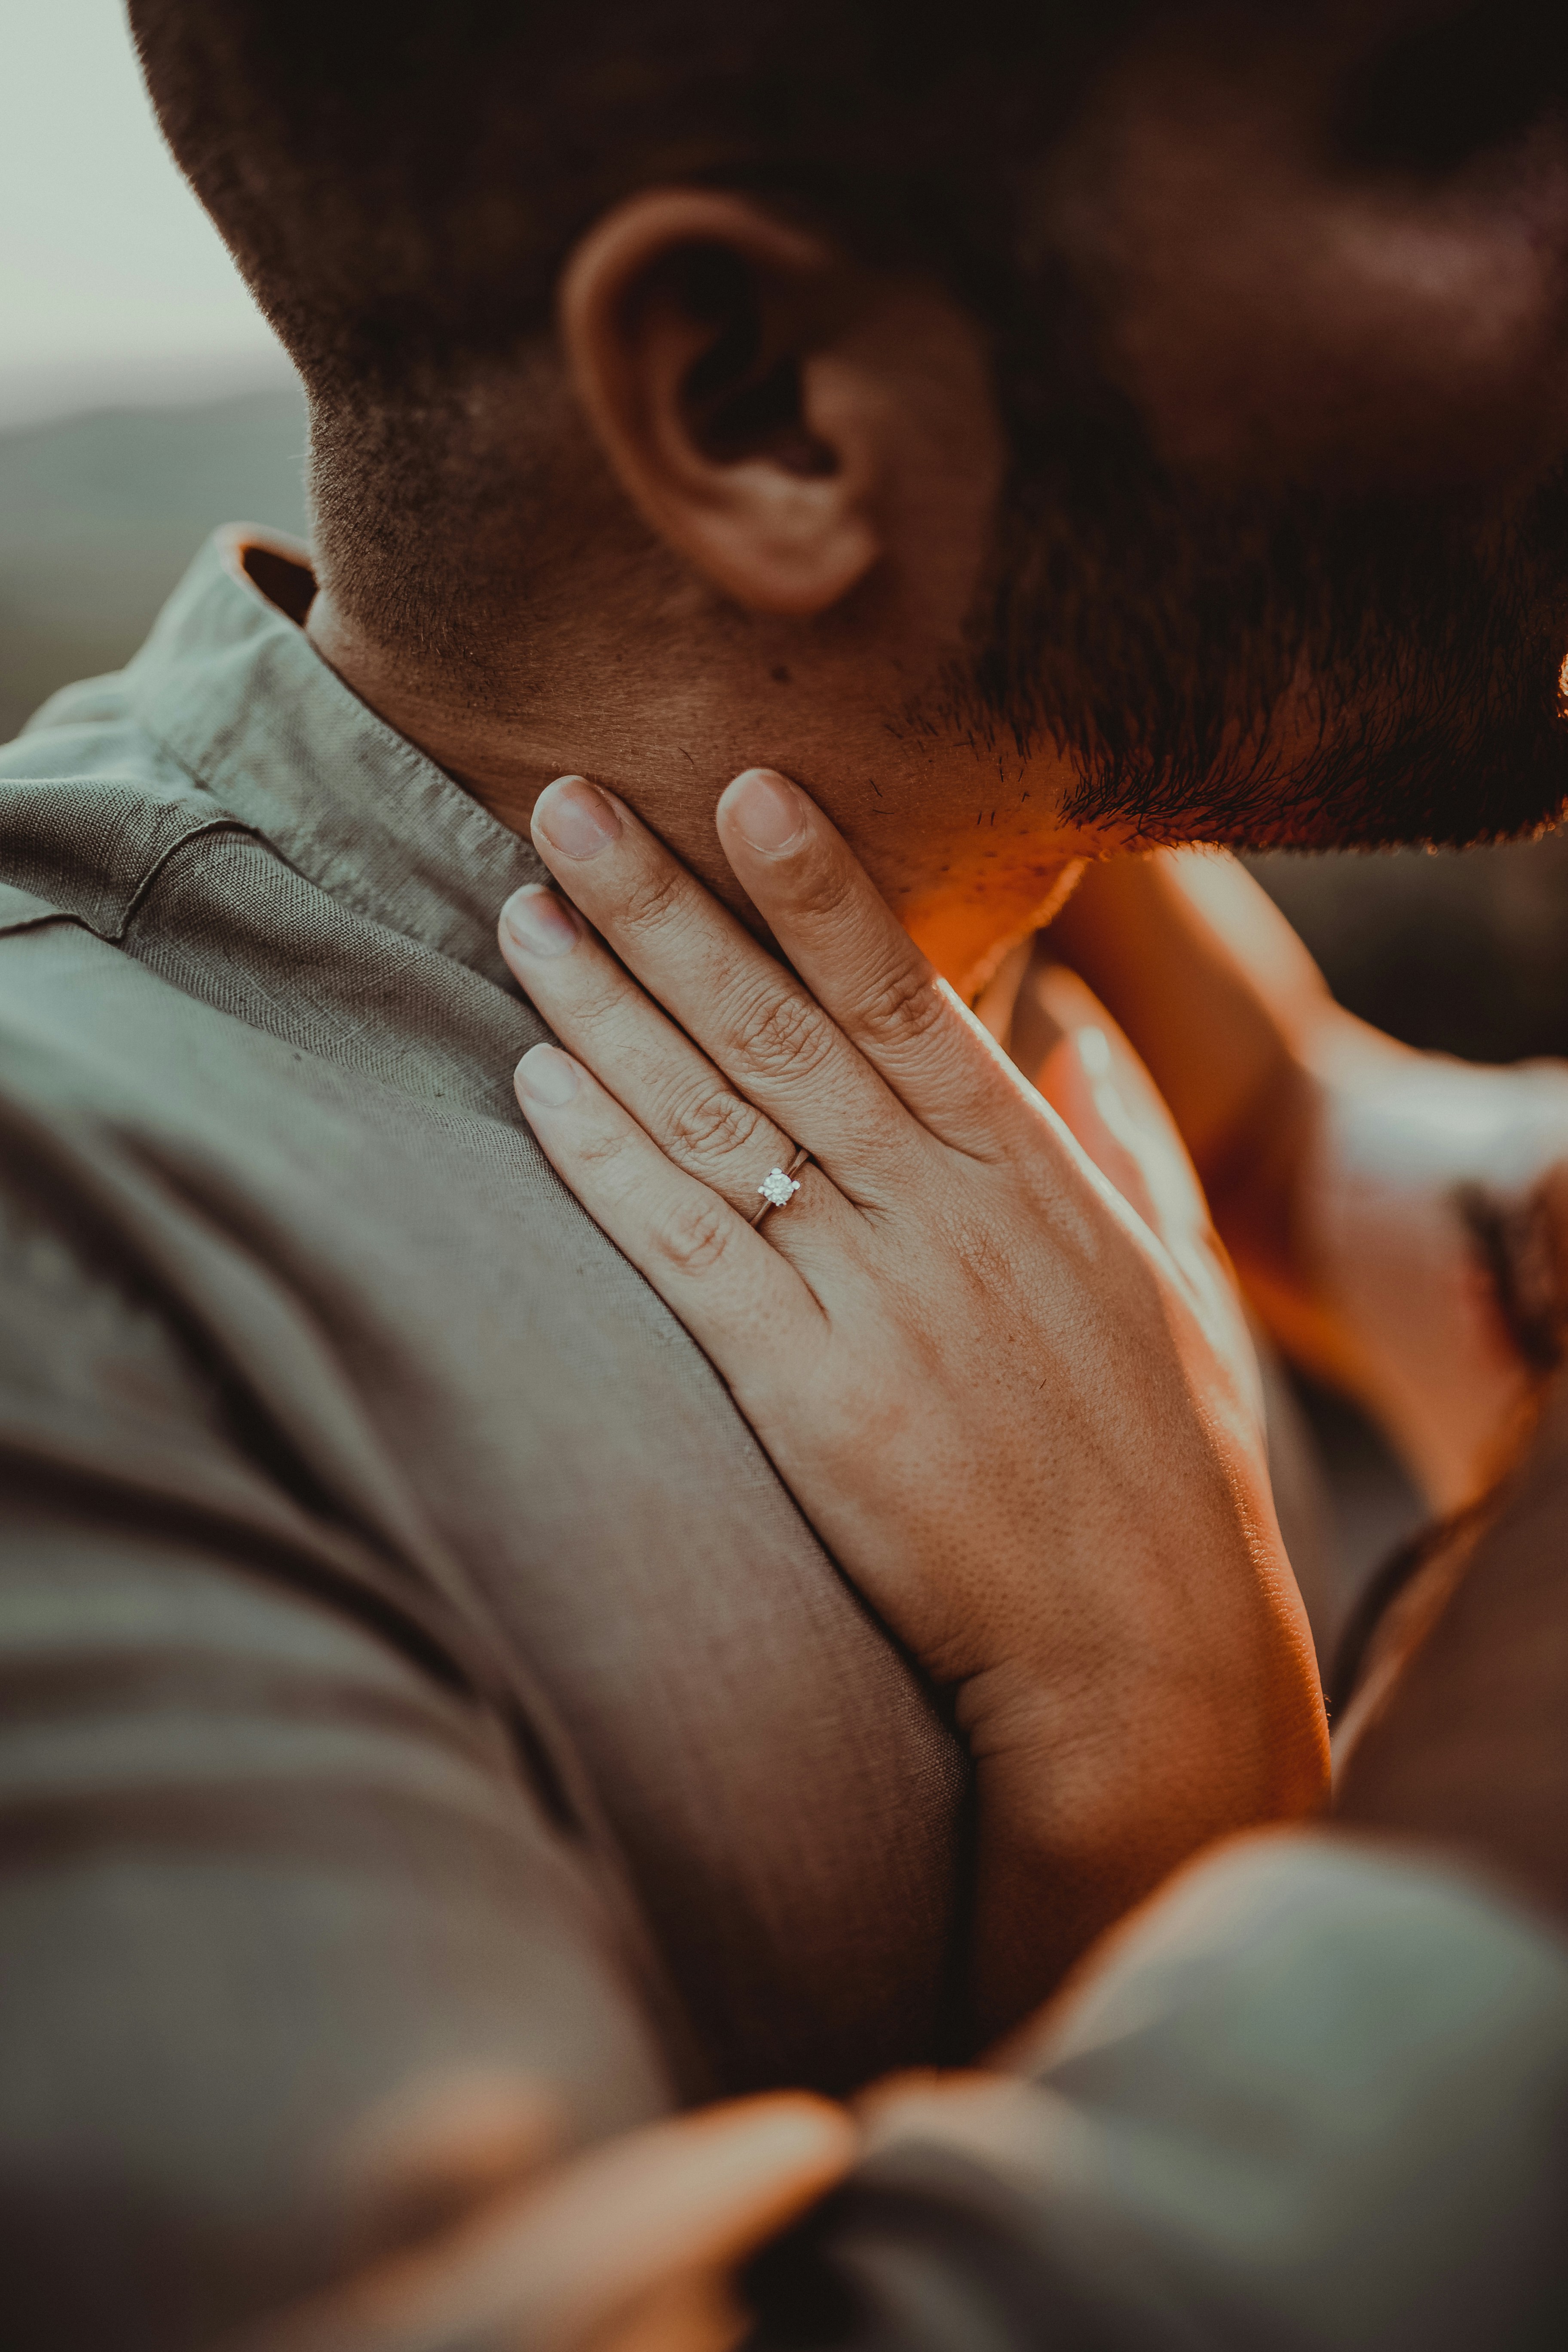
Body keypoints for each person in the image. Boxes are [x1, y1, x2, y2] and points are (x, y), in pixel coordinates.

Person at [4, 0, 1568, 2340]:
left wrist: (1320, 1159)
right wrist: (1475, 1829)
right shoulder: (80, 1285)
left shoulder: (1045, 878)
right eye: (1464, 113)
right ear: (764, 402)